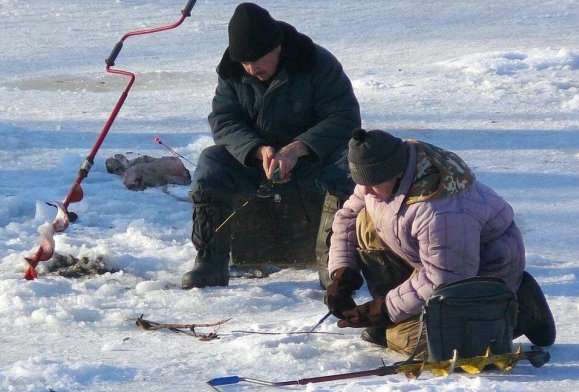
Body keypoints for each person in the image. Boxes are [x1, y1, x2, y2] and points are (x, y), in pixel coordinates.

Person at [325, 128, 556, 359]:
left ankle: (519, 312)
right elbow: (346, 218)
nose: (365, 190)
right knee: (364, 220)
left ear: (395, 173)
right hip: (434, 260)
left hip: (477, 276)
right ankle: (397, 314)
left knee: (408, 340)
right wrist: (342, 275)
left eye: (372, 183)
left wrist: (383, 310)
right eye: (360, 181)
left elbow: (446, 277)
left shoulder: (440, 210)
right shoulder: (379, 176)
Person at [182, 2, 361, 289]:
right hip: (258, 165)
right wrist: (257, 149)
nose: (252, 69)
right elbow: (224, 120)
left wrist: (299, 147)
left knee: (349, 163)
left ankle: (335, 264)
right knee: (210, 162)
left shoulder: (315, 62)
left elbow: (345, 118)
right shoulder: (232, 71)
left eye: (259, 59)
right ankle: (210, 261)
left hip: (314, 163)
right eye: (245, 63)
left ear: (277, 46)